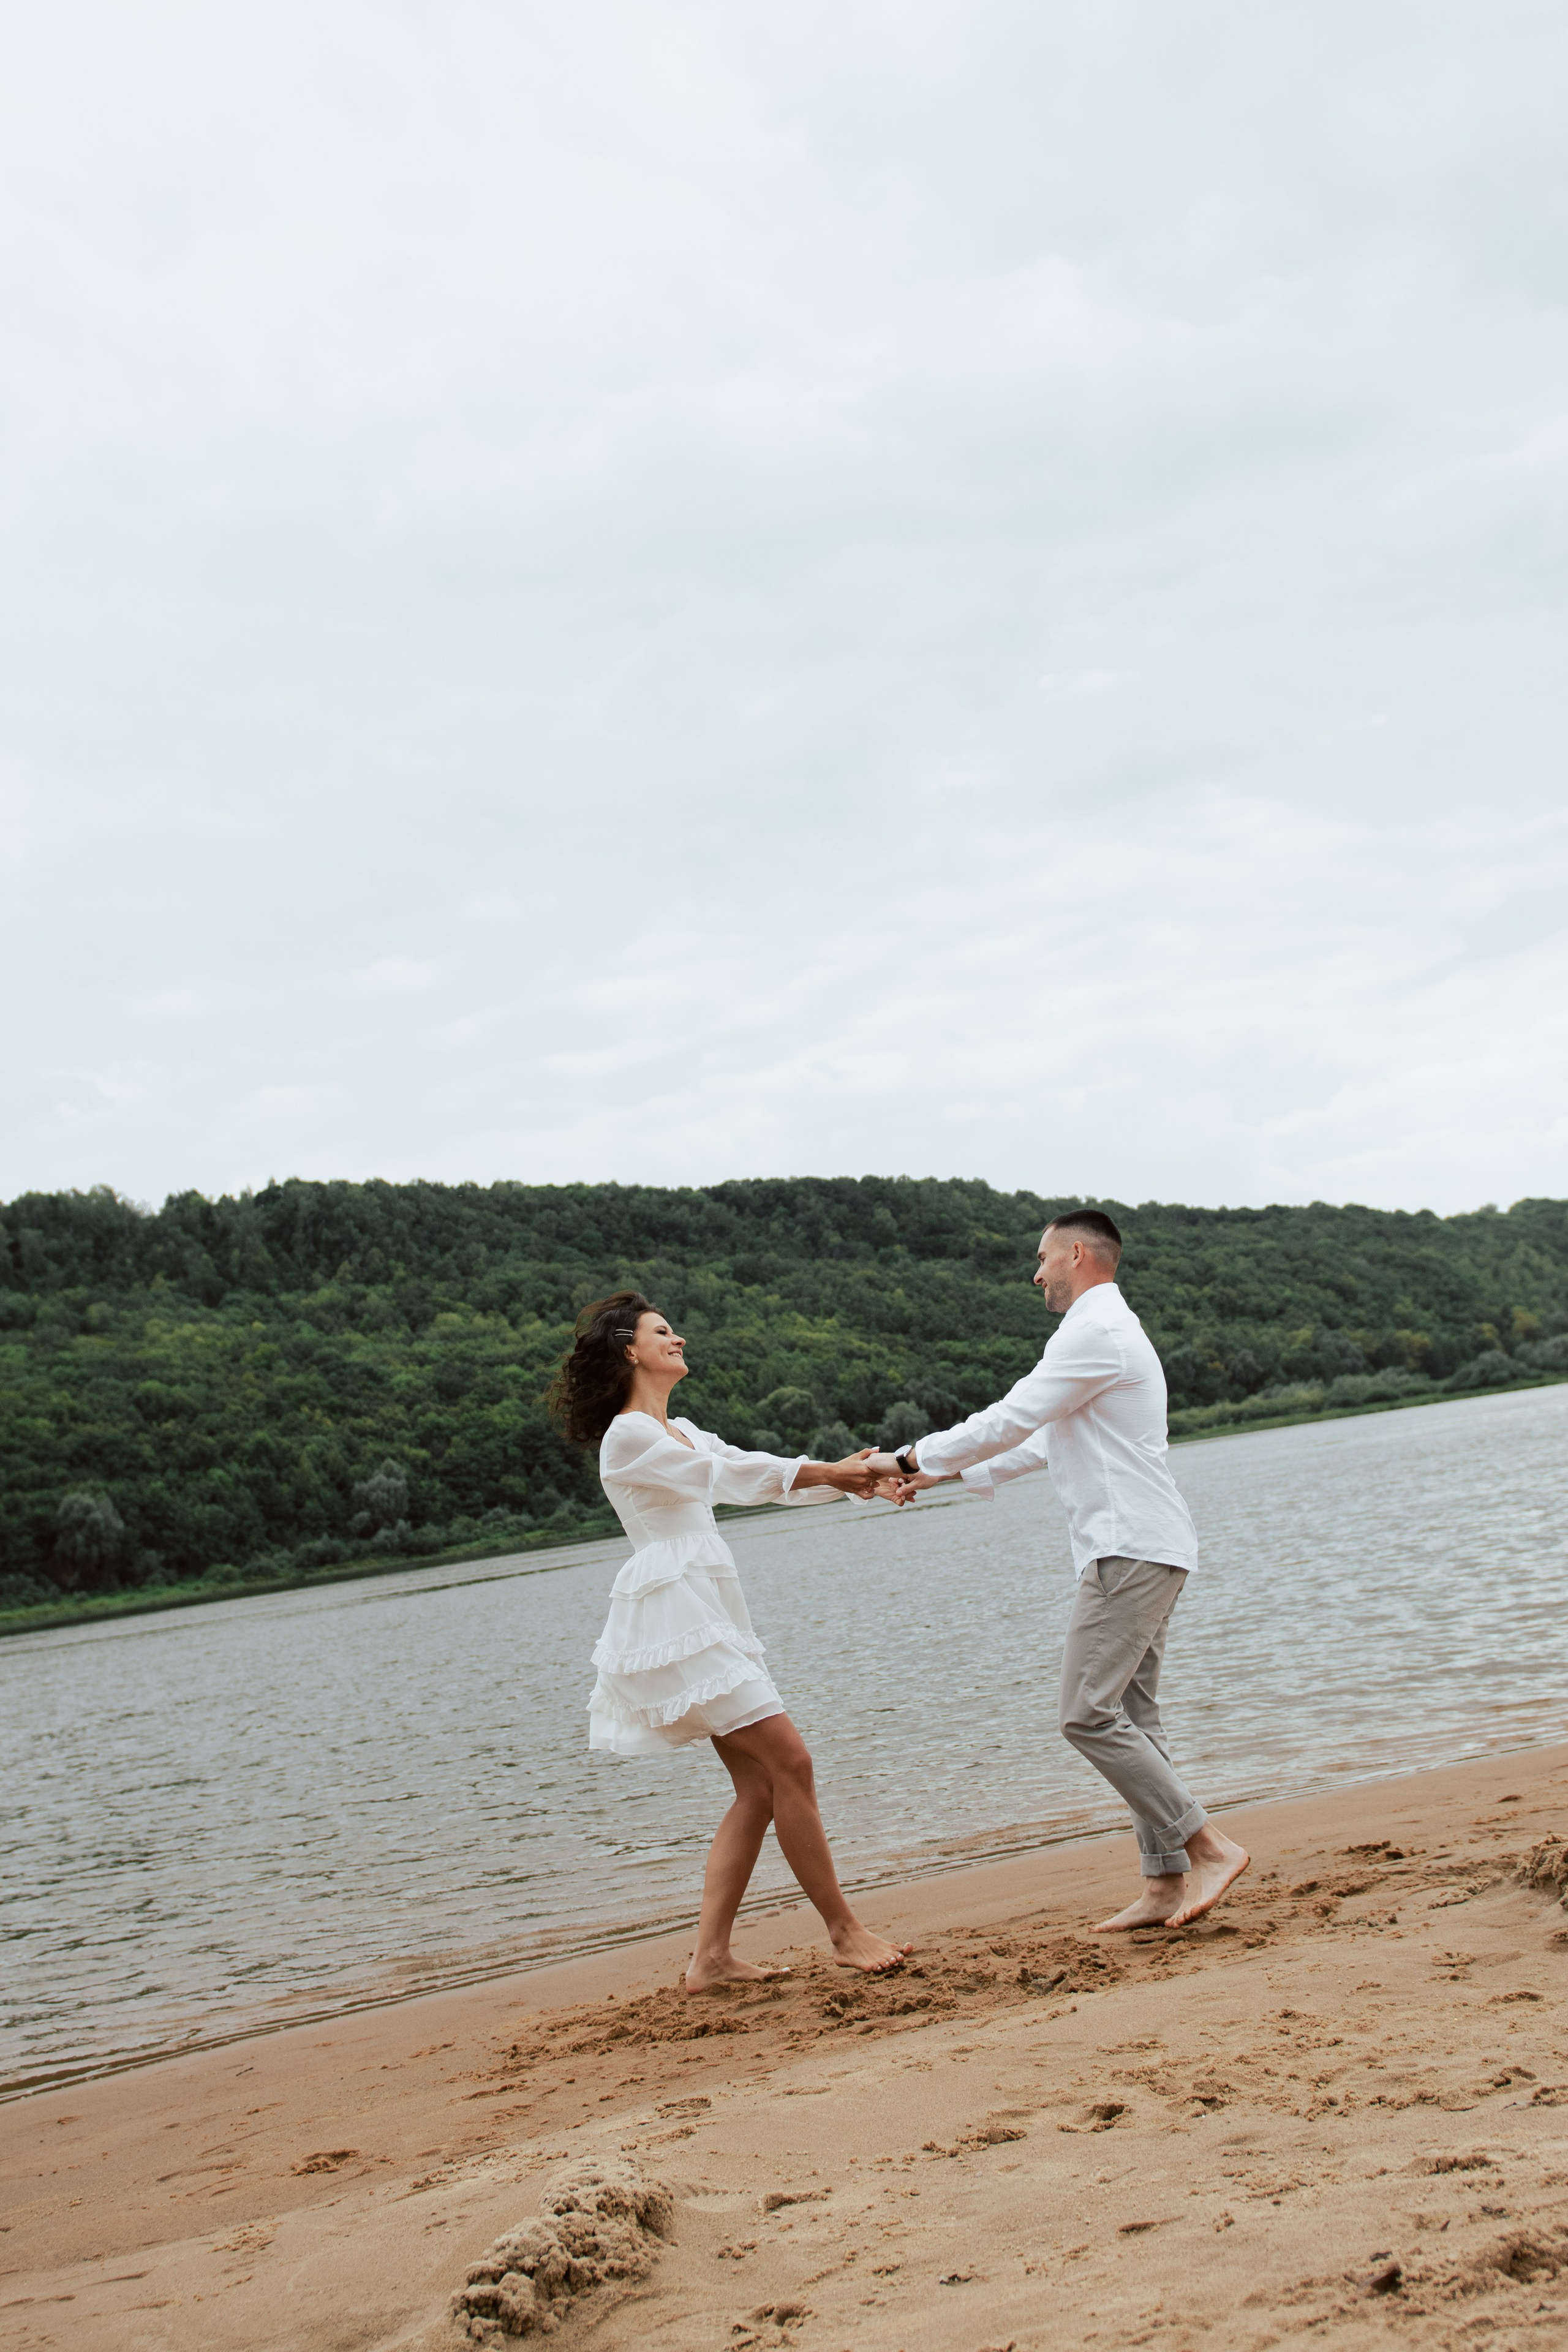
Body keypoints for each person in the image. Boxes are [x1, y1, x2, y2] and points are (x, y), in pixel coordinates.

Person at [871, 1210, 1249, 1932]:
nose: (1035, 1274)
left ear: (1077, 1254)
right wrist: (936, 1474)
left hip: (1130, 1547)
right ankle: (1163, 1884)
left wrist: (909, 1456)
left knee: (1085, 1713)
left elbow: (1010, 1417)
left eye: (1042, 1258)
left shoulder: (1094, 1330)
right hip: (1147, 1544)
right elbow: (1040, 1441)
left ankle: (1208, 1846)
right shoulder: (1106, 1331)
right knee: (1132, 1717)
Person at [550, 1291, 912, 1989]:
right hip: (675, 1616)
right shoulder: (629, 1436)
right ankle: (843, 1931)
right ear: (630, 1351)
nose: (678, 1338)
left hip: (708, 1609)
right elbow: (724, 1479)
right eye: (662, 1331)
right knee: (790, 1762)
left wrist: (856, 1479)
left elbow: (757, 1472)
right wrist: (835, 1473)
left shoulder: (679, 1428)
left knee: (758, 1787)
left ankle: (710, 1960)